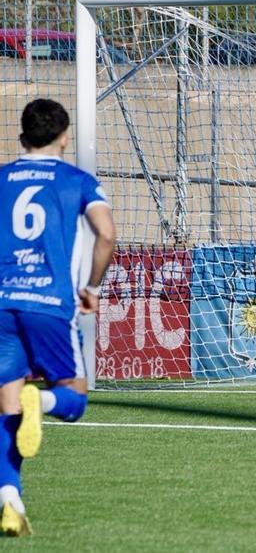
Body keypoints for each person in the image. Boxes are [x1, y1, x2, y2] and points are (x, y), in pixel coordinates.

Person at [0, 99, 116, 536]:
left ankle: (10, 499)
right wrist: (92, 287)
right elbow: (106, 234)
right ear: (65, 136)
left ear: (22, 136)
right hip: (49, 303)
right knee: (74, 398)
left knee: (6, 407)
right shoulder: (77, 180)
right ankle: (44, 401)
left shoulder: (2, 178)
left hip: (3, 304)